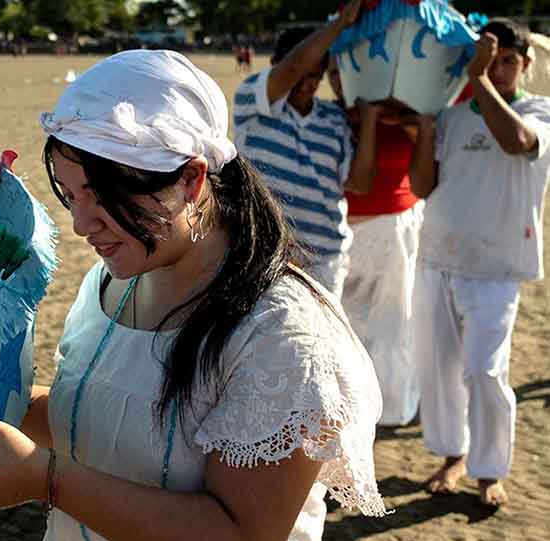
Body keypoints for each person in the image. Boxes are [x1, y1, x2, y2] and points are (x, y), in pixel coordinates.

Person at [0, 49, 387, 541]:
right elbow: (89, 414)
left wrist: (46, 480)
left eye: (103, 195)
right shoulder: (112, 280)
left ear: (191, 180)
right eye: (70, 194)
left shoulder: (282, 333)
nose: (82, 223)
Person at [408, 20, 550, 507]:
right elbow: (423, 186)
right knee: (438, 370)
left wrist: (479, 78)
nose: (500, 68)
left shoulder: (540, 111)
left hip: (497, 268)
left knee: (485, 373)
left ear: (526, 64)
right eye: (492, 59)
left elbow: (515, 141)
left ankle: (491, 471)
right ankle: (453, 455)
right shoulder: (454, 115)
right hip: (436, 257)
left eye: (509, 60)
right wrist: (427, 124)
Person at [233, 0, 377, 297]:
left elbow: (360, 184)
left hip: (324, 263)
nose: (305, 82)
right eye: (300, 72)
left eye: (315, 75)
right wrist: (340, 23)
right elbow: (295, 65)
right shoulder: (253, 102)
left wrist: (370, 121)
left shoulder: (335, 119)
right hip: (260, 255)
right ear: (276, 65)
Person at [326, 57, 424, 427]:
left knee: (392, 322)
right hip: (338, 231)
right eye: (333, 73)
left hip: (392, 225)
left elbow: (434, 162)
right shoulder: (327, 115)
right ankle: (347, 408)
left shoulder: (402, 111)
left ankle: (390, 410)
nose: (339, 80)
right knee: (343, 324)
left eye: (345, 71)